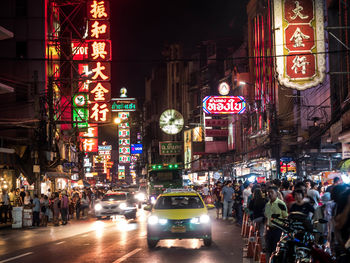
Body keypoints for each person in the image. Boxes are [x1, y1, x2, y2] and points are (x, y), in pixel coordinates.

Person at [264, 186, 288, 260]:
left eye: (272, 192)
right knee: (269, 249)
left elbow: (285, 217)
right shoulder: (267, 204)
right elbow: (267, 218)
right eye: (268, 192)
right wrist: (265, 230)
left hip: (278, 230)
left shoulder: (281, 204)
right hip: (269, 230)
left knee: (276, 249)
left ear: (276, 194)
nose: (270, 194)